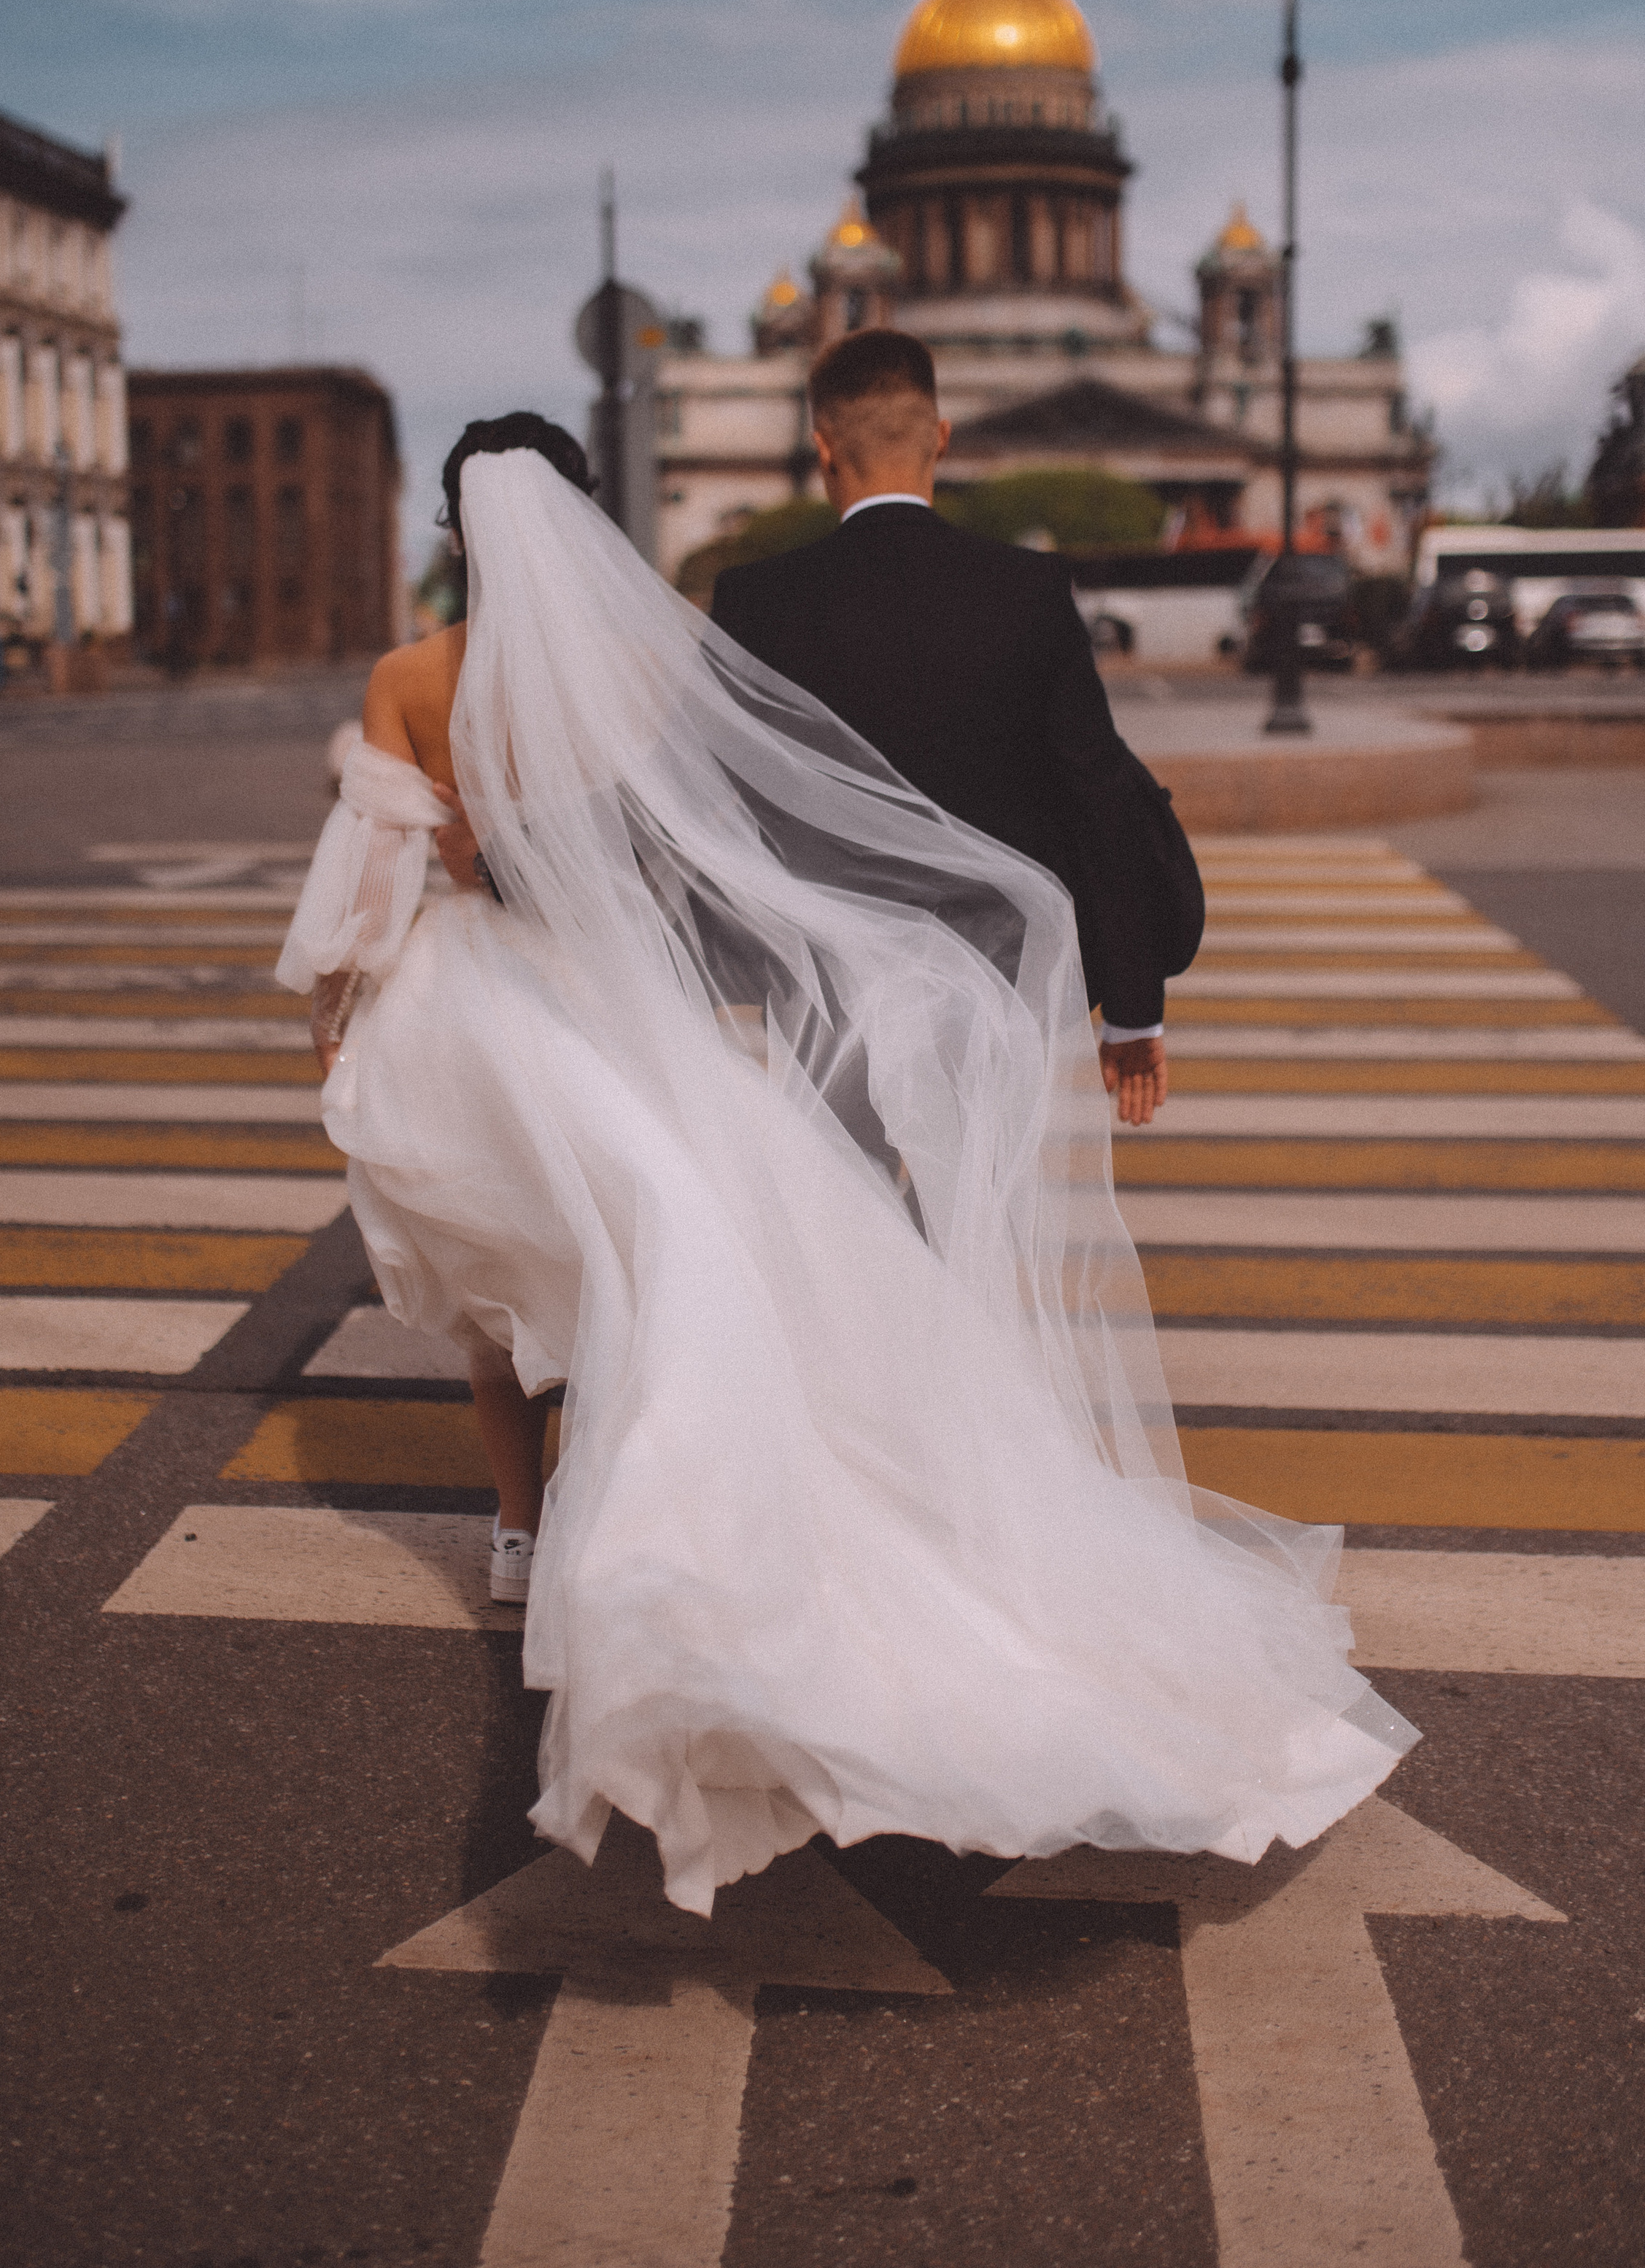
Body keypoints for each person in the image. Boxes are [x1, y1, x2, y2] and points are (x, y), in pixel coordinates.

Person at [277, 413, 1414, 1919]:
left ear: (451, 528)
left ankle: (520, 1530)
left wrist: (332, 1010)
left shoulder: (414, 677)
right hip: (624, 997)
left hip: (484, 995)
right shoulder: (642, 663)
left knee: (502, 1277)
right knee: (663, 1257)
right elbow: (703, 833)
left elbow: (371, 876)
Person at [713, 328, 1180, 1126]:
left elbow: (682, 778)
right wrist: (1134, 1013)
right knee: (976, 1197)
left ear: (822, 447)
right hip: (990, 978)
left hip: (829, 981)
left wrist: (513, 860)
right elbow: (1100, 798)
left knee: (839, 1196)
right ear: (942, 438)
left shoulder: (759, 599)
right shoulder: (1027, 590)